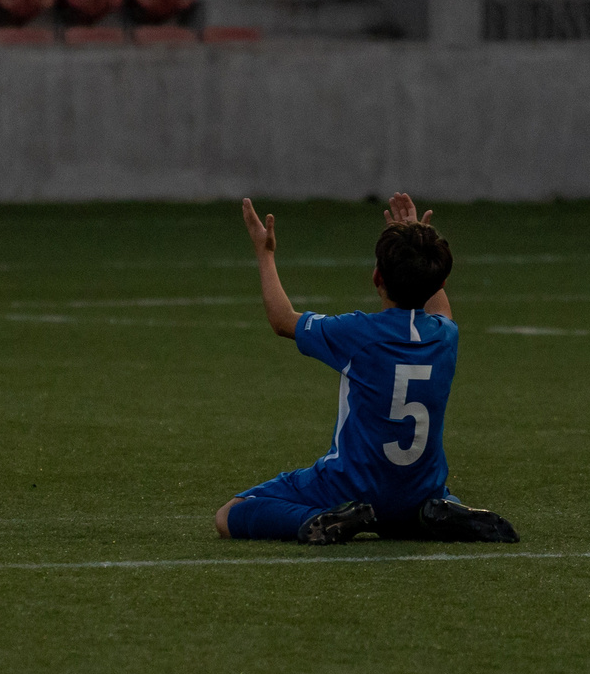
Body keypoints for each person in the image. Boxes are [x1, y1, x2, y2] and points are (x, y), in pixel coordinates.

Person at [217, 193, 519, 546]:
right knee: (417, 507)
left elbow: (282, 320)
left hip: (351, 488)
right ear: (441, 282)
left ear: (377, 277)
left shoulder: (358, 334)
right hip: (420, 492)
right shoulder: (445, 336)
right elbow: (439, 306)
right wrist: (420, 248)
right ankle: (439, 511)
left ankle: (319, 519)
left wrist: (265, 253)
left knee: (229, 514)